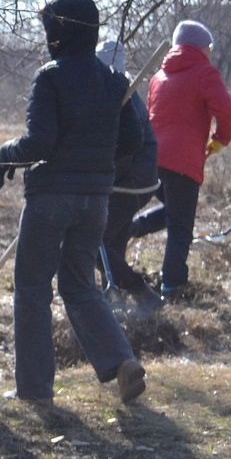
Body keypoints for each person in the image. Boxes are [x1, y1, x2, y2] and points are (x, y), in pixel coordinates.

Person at [0, 0, 147, 405]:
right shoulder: (113, 81)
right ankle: (122, 362)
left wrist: (6, 152)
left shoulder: (51, 77)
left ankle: (34, 390)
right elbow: (132, 138)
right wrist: (94, 160)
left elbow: (39, 142)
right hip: (96, 200)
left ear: (59, 33)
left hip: (50, 198)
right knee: (80, 287)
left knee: (31, 288)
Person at [130, 21, 231, 300]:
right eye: (209, 48)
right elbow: (226, 110)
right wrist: (221, 138)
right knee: (181, 224)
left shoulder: (158, 76)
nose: (211, 53)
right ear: (201, 47)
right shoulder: (204, 73)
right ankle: (173, 285)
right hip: (183, 160)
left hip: (153, 158)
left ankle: (133, 227)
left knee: (175, 210)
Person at [101, 60, 162, 306]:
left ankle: (141, 292)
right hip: (135, 182)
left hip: (129, 183)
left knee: (93, 244)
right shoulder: (123, 93)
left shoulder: (121, 96)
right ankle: (115, 294)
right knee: (113, 241)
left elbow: (128, 144)